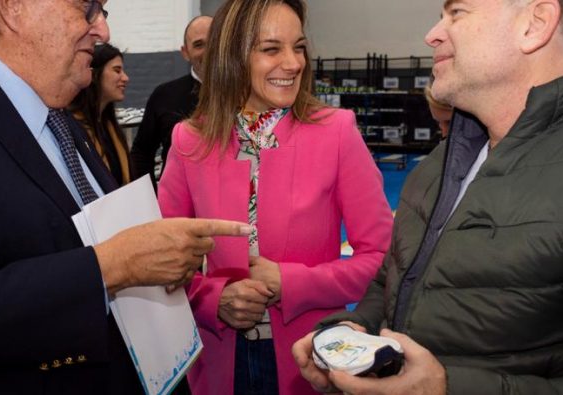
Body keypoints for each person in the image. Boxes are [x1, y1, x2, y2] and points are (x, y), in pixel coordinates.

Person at [293, 0, 563, 394]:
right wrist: (352, 333)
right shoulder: (438, 166)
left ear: (535, 24)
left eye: (456, 12)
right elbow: (392, 281)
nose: (432, 34)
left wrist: (447, 389)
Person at [0, 0, 249, 393]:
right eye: (85, 6)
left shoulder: (56, 119)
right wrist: (112, 265)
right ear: (13, 8)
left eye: (102, 11)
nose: (102, 29)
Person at [157, 1, 393, 394]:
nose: (293, 62)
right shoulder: (189, 140)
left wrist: (289, 281)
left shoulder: (335, 133)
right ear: (233, 57)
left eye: (298, 47)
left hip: (307, 360)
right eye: (272, 49)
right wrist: (213, 298)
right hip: (218, 363)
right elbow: (162, 260)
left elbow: (383, 260)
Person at [130, 15, 212, 182]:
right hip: (179, 204)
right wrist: (150, 200)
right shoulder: (164, 96)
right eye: (199, 45)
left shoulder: (244, 94)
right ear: (185, 52)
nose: (209, 50)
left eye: (215, 42)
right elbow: (141, 153)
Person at [69, 43, 133, 185]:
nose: (125, 78)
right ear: (95, 74)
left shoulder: (109, 126)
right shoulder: (73, 128)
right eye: (117, 71)